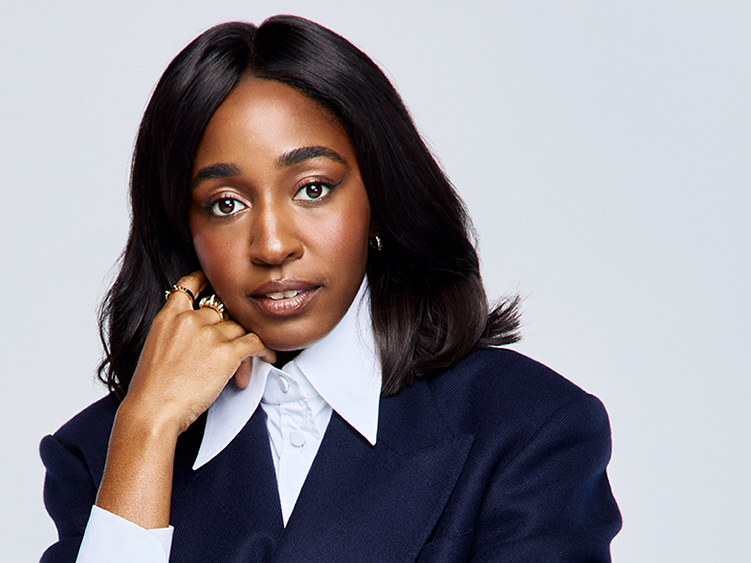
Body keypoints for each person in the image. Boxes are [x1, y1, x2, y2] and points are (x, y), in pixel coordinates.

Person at [39, 15, 621, 563]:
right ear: (184, 232)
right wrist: (146, 430)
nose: (272, 245)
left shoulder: (529, 427)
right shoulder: (101, 453)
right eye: (226, 204)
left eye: (312, 189)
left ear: (379, 199)